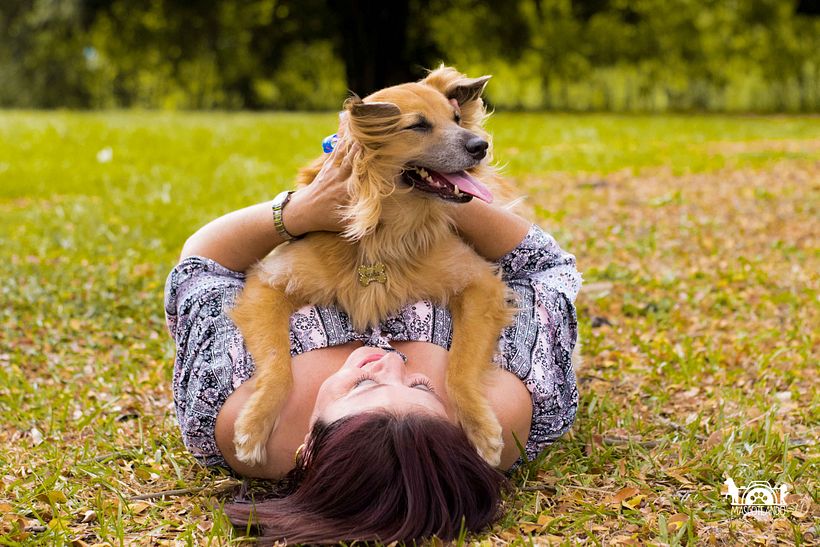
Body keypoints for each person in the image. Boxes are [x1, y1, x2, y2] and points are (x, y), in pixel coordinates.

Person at [164, 141, 581, 543]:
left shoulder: (230, 409)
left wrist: (297, 212)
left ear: (308, 449)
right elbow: (545, 270)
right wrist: (443, 194)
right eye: (421, 387)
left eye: (364, 385)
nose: (392, 363)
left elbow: (202, 267)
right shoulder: (501, 418)